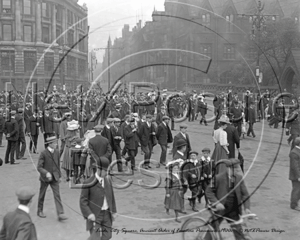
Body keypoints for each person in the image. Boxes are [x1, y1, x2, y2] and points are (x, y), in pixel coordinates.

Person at [204, 159, 251, 240]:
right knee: (212, 230)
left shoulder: (239, 178)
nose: (237, 171)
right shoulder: (218, 178)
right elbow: (208, 191)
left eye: (238, 169)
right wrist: (217, 203)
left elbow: (245, 194)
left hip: (233, 210)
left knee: (238, 232)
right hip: (220, 209)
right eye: (235, 169)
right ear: (229, 168)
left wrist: (247, 208)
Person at [80, 156, 117, 240]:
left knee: (108, 236)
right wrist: (89, 214)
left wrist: (114, 211)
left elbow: (112, 197)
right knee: (95, 238)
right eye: (105, 171)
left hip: (107, 214)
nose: (107, 173)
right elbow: (83, 201)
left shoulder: (108, 180)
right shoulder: (88, 182)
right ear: (99, 170)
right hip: (95, 215)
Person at [37, 136, 68, 221]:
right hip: (45, 179)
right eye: (54, 143)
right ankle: (39, 211)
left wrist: (60, 176)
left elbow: (57, 165)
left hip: (55, 177)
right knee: (42, 195)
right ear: (49, 144)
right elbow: (39, 167)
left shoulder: (57, 152)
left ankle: (60, 213)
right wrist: (46, 173)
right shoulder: (43, 153)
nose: (56, 145)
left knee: (57, 195)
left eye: (56, 143)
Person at [289, 137, 300, 211]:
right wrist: (298, 176)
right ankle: (293, 205)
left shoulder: (297, 151)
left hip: (297, 175)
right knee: (296, 190)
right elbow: (294, 166)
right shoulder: (294, 153)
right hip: (296, 176)